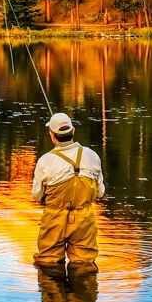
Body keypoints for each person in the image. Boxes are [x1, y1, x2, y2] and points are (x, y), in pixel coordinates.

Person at [31, 112, 104, 272]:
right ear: (73, 131)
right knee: (84, 265)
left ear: (52, 135)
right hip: (84, 219)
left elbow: (36, 195)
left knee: (48, 264)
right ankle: (83, 292)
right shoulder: (92, 156)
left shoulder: (45, 160)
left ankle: (53, 290)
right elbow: (100, 193)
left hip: (54, 218)